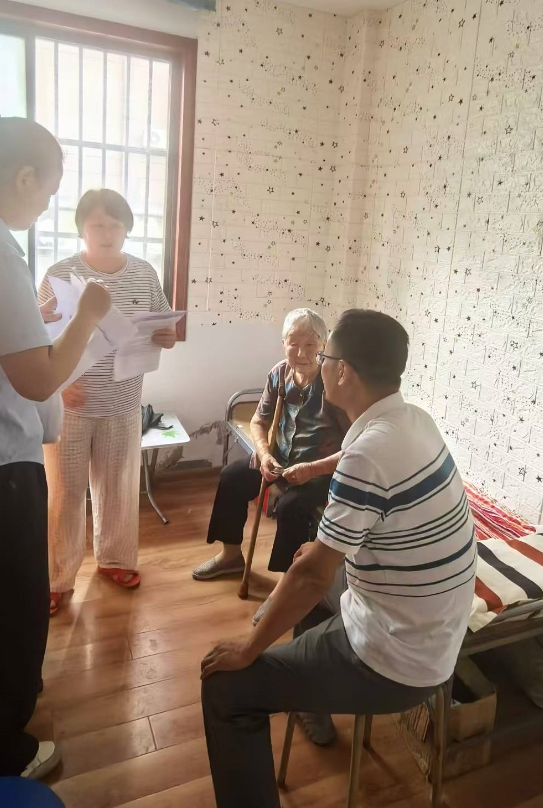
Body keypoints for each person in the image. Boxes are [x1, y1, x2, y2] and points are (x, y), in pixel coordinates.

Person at [200, 309, 476, 808]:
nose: (316, 361)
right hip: (437, 633)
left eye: (324, 354)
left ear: (343, 370)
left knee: (227, 688)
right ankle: (310, 697)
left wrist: (249, 646)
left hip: (395, 657)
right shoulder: (412, 420)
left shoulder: (368, 453)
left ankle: (299, 685)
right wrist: (320, 556)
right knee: (310, 566)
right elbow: (336, 550)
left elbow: (310, 577)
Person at [0, 105, 111, 788]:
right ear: (22, 177)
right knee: (4, 618)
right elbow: (38, 377)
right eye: (47, 191)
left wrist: (37, 322)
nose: (45, 206)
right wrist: (86, 319)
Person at [39, 189, 177, 614]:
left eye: (115, 225)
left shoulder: (144, 273)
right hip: (69, 405)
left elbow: (163, 326)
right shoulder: (60, 274)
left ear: (127, 229)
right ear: (81, 227)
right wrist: (59, 385)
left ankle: (115, 559)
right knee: (64, 495)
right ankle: (57, 578)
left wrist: (167, 336)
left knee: (118, 487)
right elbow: (35, 339)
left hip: (123, 402)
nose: (106, 233)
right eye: (97, 224)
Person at [192, 310, 349, 606]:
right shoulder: (279, 374)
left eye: (310, 345)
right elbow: (258, 421)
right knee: (232, 477)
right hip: (279, 462)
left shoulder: (334, 384)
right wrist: (264, 455)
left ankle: (286, 587)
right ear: (283, 344)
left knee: (291, 507)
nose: (301, 353)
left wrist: (311, 469)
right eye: (293, 344)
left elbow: (355, 446)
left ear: (323, 345)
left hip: (319, 473)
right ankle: (230, 556)